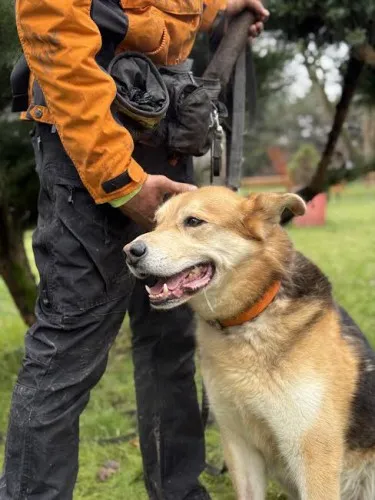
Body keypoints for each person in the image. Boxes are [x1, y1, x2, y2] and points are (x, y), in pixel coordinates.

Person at [0, 0, 268, 499]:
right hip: (89, 141)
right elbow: (51, 22)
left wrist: (220, 10)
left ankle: (180, 492)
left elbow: (159, 13)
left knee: (170, 341)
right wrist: (121, 181)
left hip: (163, 128)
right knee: (69, 346)